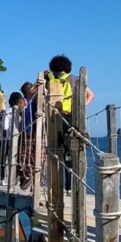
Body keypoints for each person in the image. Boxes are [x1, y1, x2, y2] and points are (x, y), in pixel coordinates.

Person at [46, 54, 94, 196]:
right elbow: (91, 95)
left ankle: (58, 187)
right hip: (74, 118)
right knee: (72, 152)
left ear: (54, 68)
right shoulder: (77, 80)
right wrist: (80, 107)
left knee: (57, 151)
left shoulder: (52, 80)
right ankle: (71, 186)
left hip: (58, 118)